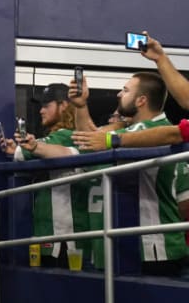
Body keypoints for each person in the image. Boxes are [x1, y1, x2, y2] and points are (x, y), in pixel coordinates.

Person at [70, 72, 189, 276]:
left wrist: (87, 115)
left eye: (125, 90)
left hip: (152, 248)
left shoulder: (149, 130)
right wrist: (81, 106)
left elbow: (96, 143)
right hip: (161, 246)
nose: (118, 94)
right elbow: (92, 142)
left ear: (141, 100)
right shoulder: (143, 130)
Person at [0, 84, 90, 267]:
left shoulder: (69, 136)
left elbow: (29, 151)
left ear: (63, 105)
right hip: (49, 233)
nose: (41, 111)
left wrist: (24, 149)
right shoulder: (53, 138)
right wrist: (16, 150)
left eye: (46, 105)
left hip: (65, 237)